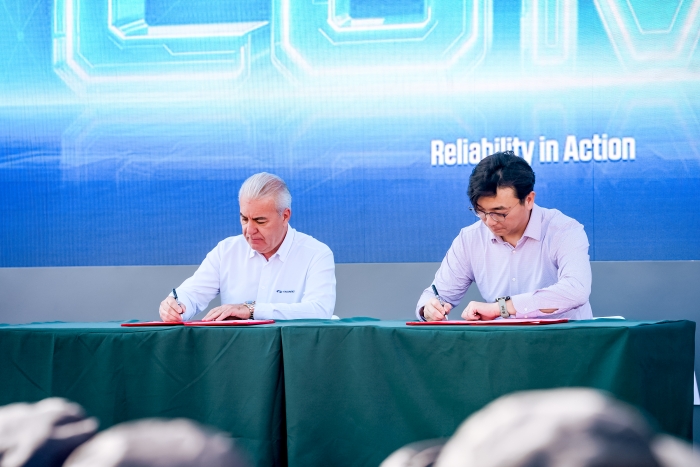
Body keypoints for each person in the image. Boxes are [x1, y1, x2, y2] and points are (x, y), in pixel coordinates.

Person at [416, 151, 592, 321]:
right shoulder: (470, 239)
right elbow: (436, 294)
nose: (489, 221)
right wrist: (429, 309)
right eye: (480, 211)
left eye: (499, 213)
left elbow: (576, 290)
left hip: (564, 337)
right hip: (501, 340)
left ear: (529, 200)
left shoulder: (564, 230)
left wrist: (500, 308)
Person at [159, 173, 336, 321]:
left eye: (260, 221)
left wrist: (251, 310)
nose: (249, 230)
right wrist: (176, 306)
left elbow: (320, 310)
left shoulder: (316, 254)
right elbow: (192, 294)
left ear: (285, 216)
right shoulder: (226, 251)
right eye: (244, 219)